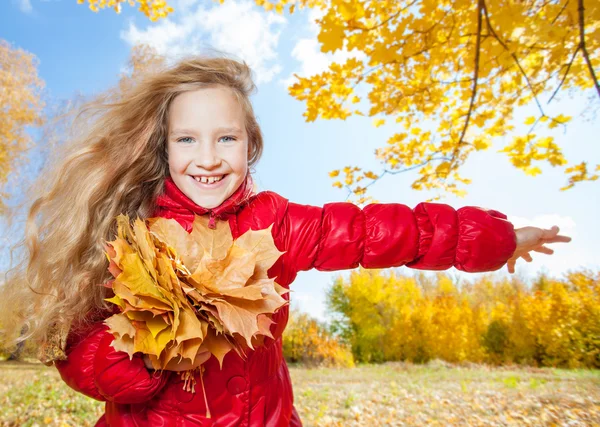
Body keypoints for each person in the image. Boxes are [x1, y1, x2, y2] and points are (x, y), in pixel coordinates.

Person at [0, 56, 571, 427]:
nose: (207, 157)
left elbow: (383, 233)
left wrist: (496, 239)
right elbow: (76, 352)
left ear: (251, 145)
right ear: (164, 149)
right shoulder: (126, 234)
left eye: (226, 137)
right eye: (187, 139)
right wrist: (139, 362)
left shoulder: (275, 226)